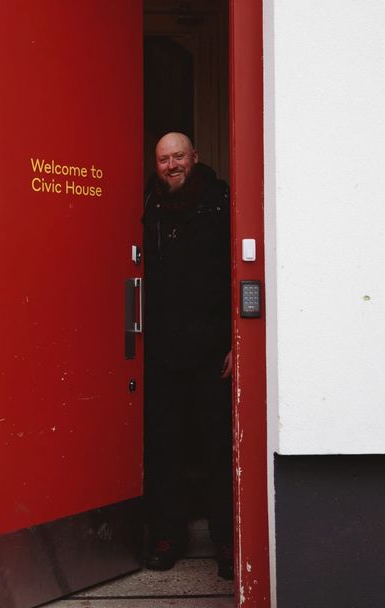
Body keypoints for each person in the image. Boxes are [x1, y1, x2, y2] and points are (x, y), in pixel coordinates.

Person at [141, 132, 234, 580]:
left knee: (218, 449)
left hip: (213, 352)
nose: (172, 165)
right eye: (164, 159)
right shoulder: (149, 205)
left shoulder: (221, 202)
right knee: (166, 448)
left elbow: (240, 270)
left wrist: (237, 340)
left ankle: (228, 541)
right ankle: (167, 536)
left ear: (195, 157)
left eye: (178, 156)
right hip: (162, 353)